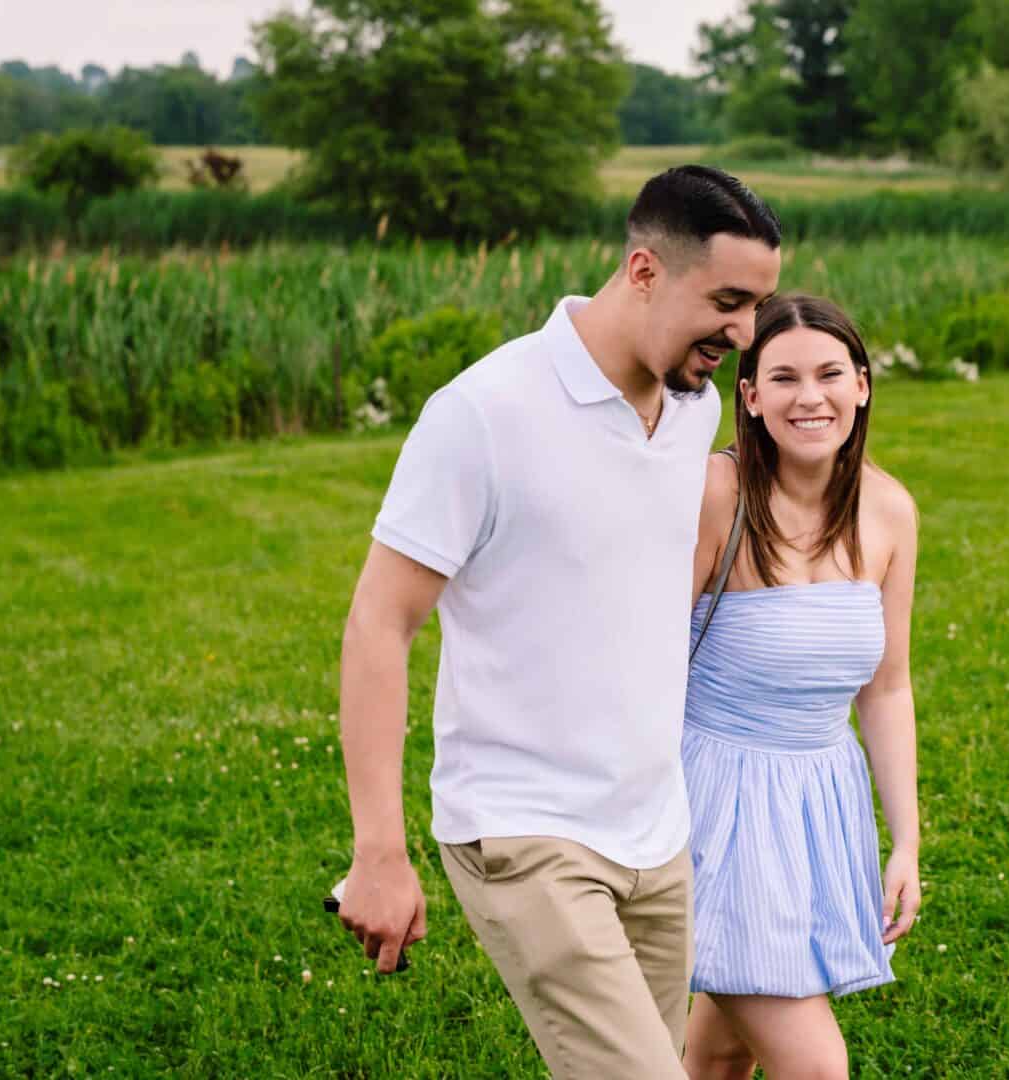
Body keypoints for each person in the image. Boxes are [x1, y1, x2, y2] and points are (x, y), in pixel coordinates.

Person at [334, 165, 781, 1077]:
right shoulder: (484, 414)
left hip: (658, 831)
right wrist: (378, 852)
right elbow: (380, 623)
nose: (743, 335)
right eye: (728, 302)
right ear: (645, 270)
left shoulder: (691, 408)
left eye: (755, 308)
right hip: (523, 828)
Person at [681, 294, 923, 1079]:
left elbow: (885, 689)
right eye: (781, 377)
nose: (808, 397)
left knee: (718, 1054)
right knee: (816, 1066)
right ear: (749, 397)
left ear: (861, 386)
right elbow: (638, 660)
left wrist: (906, 839)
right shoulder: (714, 495)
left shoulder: (888, 510)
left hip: (817, 796)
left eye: (828, 374)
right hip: (716, 801)